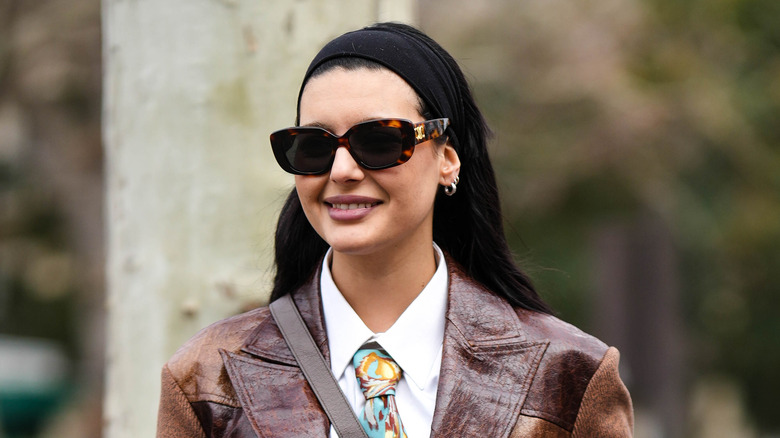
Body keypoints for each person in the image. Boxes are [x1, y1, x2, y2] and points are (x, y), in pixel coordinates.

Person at [157, 22, 633, 437]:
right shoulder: (206, 375)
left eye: (380, 140)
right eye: (314, 146)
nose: (341, 169)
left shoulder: (569, 375)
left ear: (447, 159)